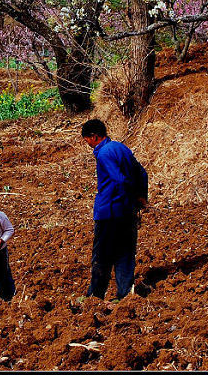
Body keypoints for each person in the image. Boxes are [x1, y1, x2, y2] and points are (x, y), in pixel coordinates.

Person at [81, 118, 148, 301]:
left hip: (109, 212)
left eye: (86, 139)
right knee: (125, 254)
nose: (87, 143)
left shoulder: (103, 153)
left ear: (94, 137)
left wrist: (133, 194)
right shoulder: (121, 147)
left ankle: (94, 297)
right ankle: (125, 295)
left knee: (102, 256)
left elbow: (119, 180)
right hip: (128, 211)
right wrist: (142, 197)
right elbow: (142, 172)